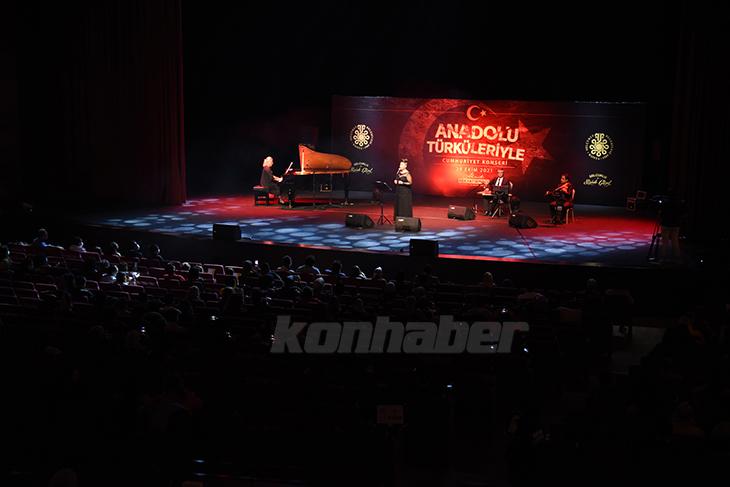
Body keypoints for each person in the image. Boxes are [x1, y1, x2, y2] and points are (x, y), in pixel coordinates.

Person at [659, 190, 684, 263]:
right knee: (675, 241)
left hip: (666, 224)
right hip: (676, 224)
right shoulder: (679, 203)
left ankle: (663, 258)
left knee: (664, 242)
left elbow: (661, 213)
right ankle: (677, 258)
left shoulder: (665, 203)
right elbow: (683, 214)